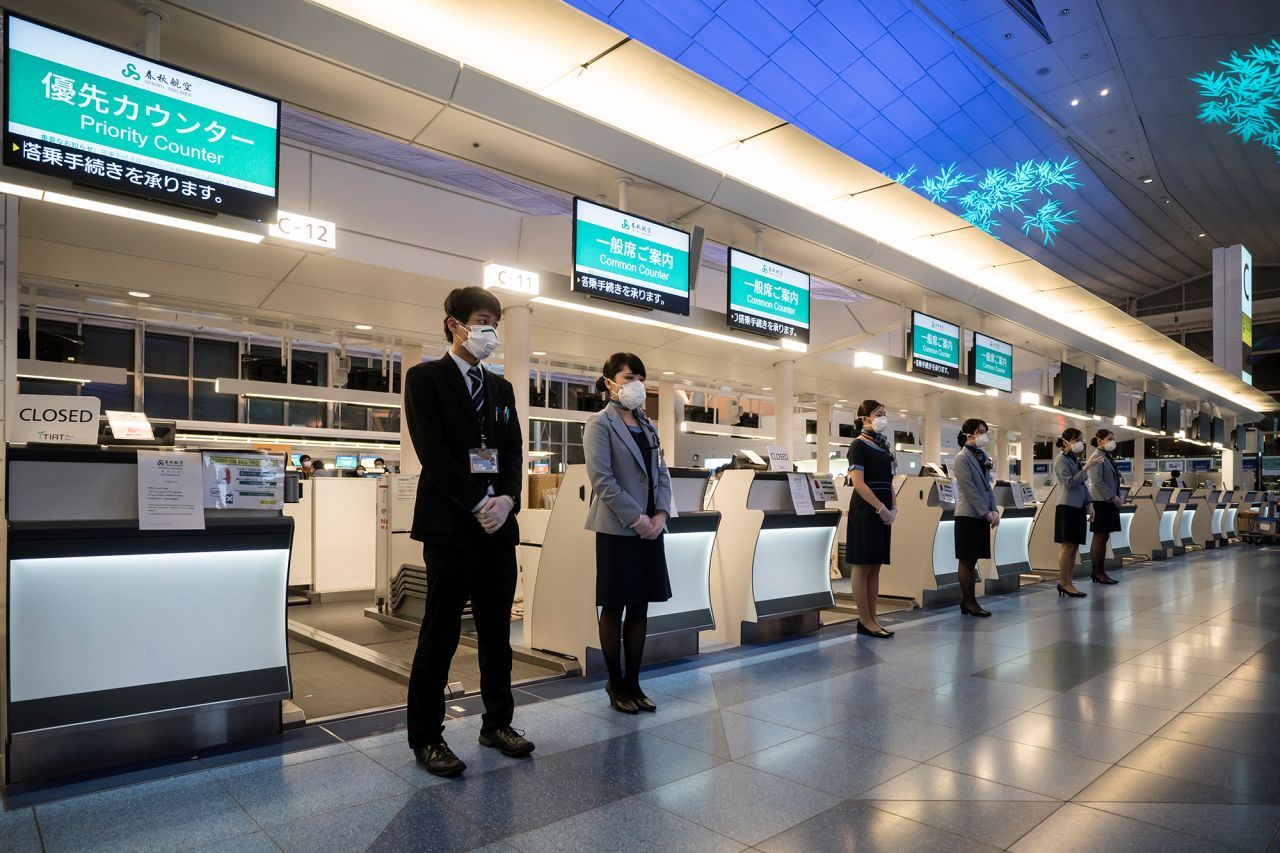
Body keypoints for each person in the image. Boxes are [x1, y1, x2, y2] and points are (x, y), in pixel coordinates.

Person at [403, 285, 534, 778]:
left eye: (495, 323)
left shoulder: (500, 389)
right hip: (452, 527)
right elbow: (432, 452)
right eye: (482, 321)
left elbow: (514, 450)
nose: (490, 332)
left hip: (497, 528)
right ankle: (427, 736)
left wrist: (507, 500)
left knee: (498, 632)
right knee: (441, 633)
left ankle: (497, 723)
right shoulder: (425, 379)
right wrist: (478, 500)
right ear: (454, 324)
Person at [583, 352, 673, 713]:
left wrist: (661, 514)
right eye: (629, 377)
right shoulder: (599, 424)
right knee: (615, 605)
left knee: (640, 606)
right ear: (609, 382)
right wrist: (638, 520)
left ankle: (635, 683)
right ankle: (615, 683)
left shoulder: (647, 425)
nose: (636, 384)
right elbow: (602, 480)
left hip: (652, 528)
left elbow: (661, 473)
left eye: (640, 377)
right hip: (619, 529)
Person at [845, 400, 897, 639]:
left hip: (883, 511)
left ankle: (874, 619)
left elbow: (890, 482)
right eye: (878, 414)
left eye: (885, 414)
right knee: (862, 565)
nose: (883, 418)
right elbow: (858, 483)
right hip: (865, 512)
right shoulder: (858, 445)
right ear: (865, 418)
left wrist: (893, 508)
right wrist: (880, 508)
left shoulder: (884, 446)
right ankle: (864, 620)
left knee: (875, 567)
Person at [953, 418, 998, 617]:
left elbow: (987, 486)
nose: (984, 435)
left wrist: (994, 509)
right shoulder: (961, 458)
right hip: (968, 515)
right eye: (980, 431)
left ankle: (971, 601)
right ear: (969, 433)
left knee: (974, 560)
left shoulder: (982, 456)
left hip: (980, 515)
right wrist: (985, 512)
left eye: (985, 431)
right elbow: (969, 490)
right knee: (967, 560)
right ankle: (968, 601)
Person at [1053, 428, 1104, 598]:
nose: (1080, 443)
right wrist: (1087, 467)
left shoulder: (1074, 460)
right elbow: (1070, 483)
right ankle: (1064, 582)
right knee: (1067, 546)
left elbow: (1082, 485)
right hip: (1067, 505)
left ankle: (1068, 581)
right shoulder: (1060, 460)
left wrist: (1090, 503)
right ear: (1066, 441)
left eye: (1081, 440)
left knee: (1074, 546)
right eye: (1077, 440)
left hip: (1078, 506)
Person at [1087, 428, 1123, 585]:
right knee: (1099, 537)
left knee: (1104, 537)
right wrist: (1112, 496)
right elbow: (1097, 481)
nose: (1112, 442)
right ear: (1099, 440)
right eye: (1109, 438)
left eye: (1113, 439)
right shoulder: (1097, 457)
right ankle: (1096, 572)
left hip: (1108, 502)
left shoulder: (1107, 457)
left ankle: (1101, 571)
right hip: (1101, 502)